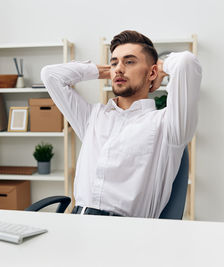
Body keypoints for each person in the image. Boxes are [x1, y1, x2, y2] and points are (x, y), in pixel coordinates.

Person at [41, 30, 202, 218]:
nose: (118, 69)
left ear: (152, 72)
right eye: (114, 62)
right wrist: (105, 71)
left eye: (130, 61)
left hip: (126, 232)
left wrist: (161, 68)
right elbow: (50, 75)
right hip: (78, 222)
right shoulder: (93, 117)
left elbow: (187, 63)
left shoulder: (168, 125)